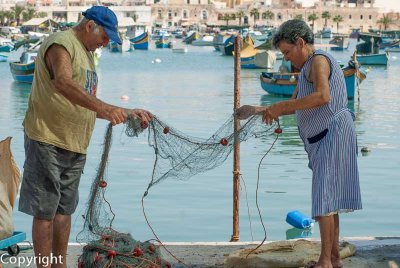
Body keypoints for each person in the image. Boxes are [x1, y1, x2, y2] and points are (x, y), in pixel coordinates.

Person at [18, 6, 153, 268]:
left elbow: (85, 101)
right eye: (104, 37)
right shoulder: (62, 44)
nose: (105, 43)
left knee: (64, 210)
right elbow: (63, 83)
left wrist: (124, 111)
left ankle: (59, 265)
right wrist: (106, 108)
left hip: (75, 143)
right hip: (47, 138)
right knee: (45, 210)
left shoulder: (88, 54)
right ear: (90, 25)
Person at [236, 19, 362, 268]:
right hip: (324, 138)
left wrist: (280, 106)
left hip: (334, 133)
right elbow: (290, 106)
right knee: (329, 201)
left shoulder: (318, 61)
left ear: (301, 43)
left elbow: (323, 96)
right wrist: (256, 109)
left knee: (325, 200)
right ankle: (334, 259)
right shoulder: (304, 70)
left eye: (287, 52)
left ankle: (324, 262)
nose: (286, 58)